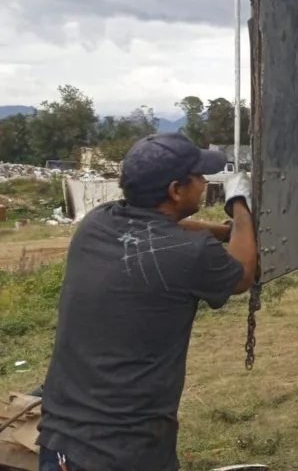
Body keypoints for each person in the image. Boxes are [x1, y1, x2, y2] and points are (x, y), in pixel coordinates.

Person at [36, 133, 258, 471]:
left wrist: (223, 231)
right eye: (198, 177)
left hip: (60, 442)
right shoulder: (192, 254)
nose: (203, 182)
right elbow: (242, 273)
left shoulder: (98, 221)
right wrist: (240, 207)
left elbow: (168, 227)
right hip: (125, 453)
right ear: (175, 190)